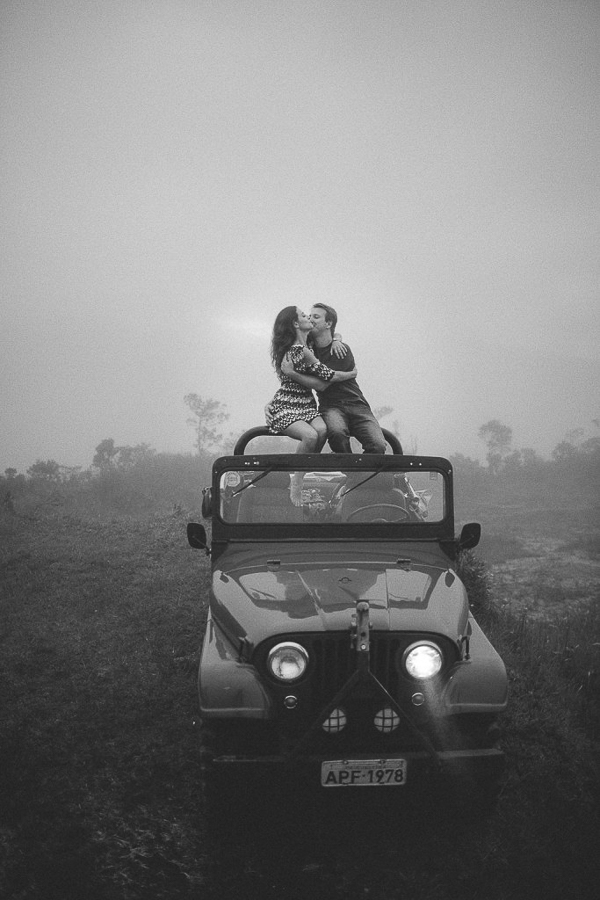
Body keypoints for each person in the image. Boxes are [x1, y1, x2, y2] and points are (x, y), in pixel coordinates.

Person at [267, 306, 358, 500]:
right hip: (287, 405)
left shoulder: (308, 342)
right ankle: (297, 481)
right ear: (295, 324)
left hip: (306, 405)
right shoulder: (300, 350)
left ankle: (304, 466)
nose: (308, 317)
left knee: (322, 430)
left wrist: (337, 339)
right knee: (309, 436)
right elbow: (327, 378)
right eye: (303, 315)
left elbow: (331, 334)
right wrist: (351, 374)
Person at [281, 303, 386, 454]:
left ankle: (358, 469)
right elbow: (293, 384)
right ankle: (348, 466)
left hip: (357, 404)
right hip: (330, 406)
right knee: (337, 434)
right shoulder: (307, 350)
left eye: (316, 317)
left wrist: (337, 340)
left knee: (378, 445)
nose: (310, 319)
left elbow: (325, 383)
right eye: (309, 316)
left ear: (328, 323)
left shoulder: (341, 350)